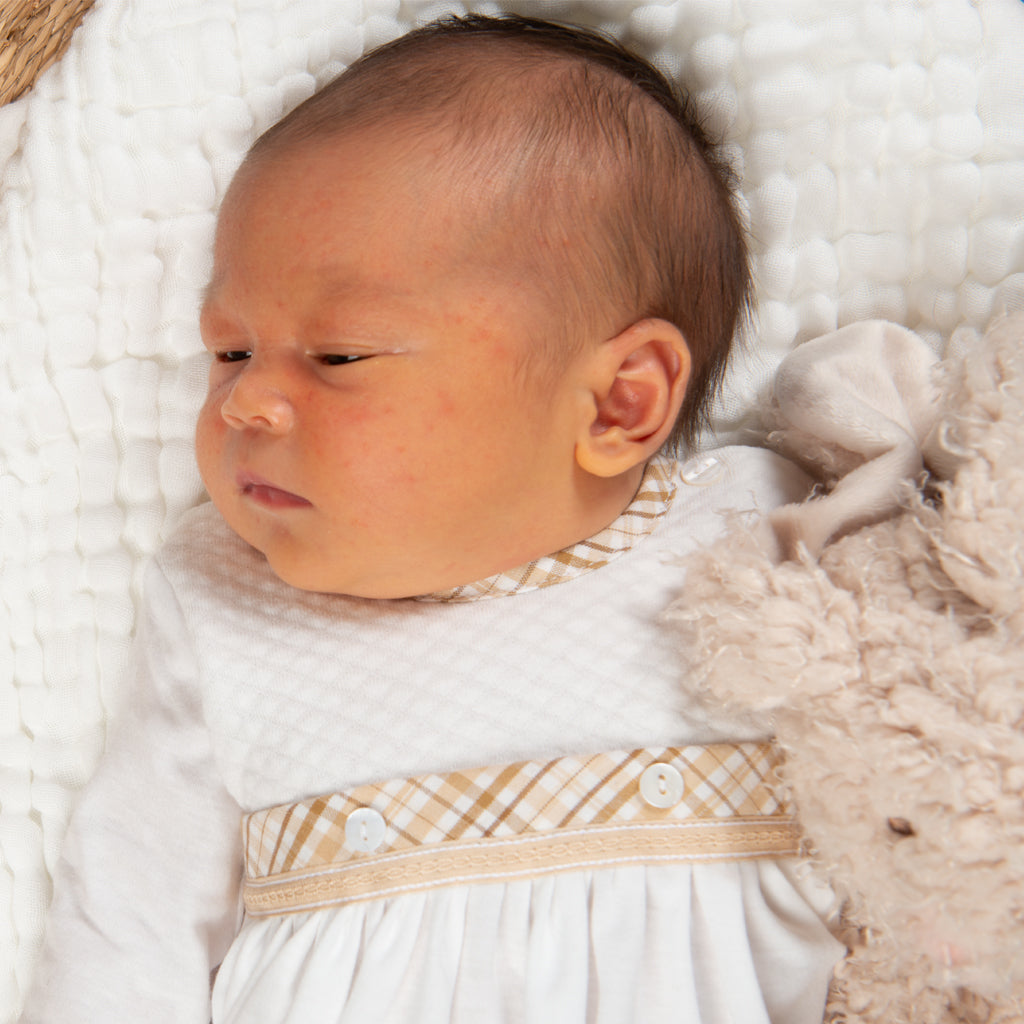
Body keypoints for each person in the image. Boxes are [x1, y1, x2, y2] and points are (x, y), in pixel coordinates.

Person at [21, 15, 842, 1023]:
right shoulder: (222, 593)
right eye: (229, 350)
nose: (245, 403)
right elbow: (128, 917)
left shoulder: (757, 530)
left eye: (338, 356)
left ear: (618, 402)